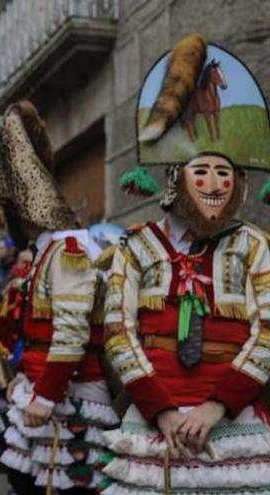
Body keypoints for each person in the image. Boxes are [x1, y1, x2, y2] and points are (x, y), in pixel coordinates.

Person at [103, 33, 270, 494]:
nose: (215, 183)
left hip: (233, 424)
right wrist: (164, 410)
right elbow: (118, 333)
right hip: (157, 417)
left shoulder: (254, 245)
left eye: (224, 173)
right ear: (177, 179)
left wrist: (215, 408)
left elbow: (268, 332)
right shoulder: (135, 246)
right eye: (202, 171)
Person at [0, 101, 118, 494]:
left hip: (71, 395)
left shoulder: (66, 250)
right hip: (41, 386)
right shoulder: (47, 251)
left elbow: (70, 330)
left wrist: (46, 396)